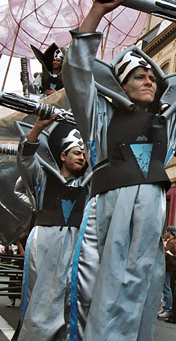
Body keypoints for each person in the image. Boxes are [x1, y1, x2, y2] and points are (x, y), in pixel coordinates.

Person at [62, 0, 176, 340]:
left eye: (152, 76)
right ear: (122, 84)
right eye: (139, 76)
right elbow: (76, 71)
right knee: (97, 280)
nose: (149, 80)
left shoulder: (167, 123)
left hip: (150, 207)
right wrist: (97, 12)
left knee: (140, 285)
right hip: (108, 204)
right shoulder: (100, 115)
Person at [15, 117, 89, 340]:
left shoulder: (88, 184)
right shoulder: (43, 178)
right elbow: (26, 160)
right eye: (77, 153)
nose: (82, 157)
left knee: (72, 296)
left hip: (75, 244)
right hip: (45, 242)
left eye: (84, 155)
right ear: (63, 156)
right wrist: (38, 127)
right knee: (40, 295)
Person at [158, 226, 176, 318]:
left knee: (166, 288)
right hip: (170, 266)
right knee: (167, 287)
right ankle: (166, 307)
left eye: (167, 232)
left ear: (169, 232)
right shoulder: (173, 241)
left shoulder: (172, 242)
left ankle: (168, 308)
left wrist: (164, 246)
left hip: (168, 266)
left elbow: (166, 253)